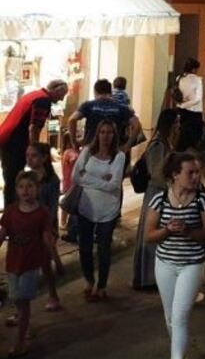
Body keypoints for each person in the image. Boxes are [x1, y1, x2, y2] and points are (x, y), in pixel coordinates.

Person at [145, 152, 205, 359]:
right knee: (170, 317)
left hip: (191, 265)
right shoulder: (160, 199)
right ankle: (180, 352)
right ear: (175, 175)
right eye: (190, 173)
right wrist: (166, 230)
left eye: (197, 172)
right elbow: (149, 235)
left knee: (180, 317)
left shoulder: (203, 200)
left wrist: (189, 232)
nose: (196, 177)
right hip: (165, 264)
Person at [0, 171, 56, 357]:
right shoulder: (10, 212)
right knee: (16, 298)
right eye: (22, 187)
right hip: (12, 263)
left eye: (30, 186)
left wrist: (56, 259)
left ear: (37, 189)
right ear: (16, 190)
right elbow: (3, 232)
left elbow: (47, 237)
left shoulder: (42, 213)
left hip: (31, 264)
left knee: (23, 301)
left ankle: (20, 342)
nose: (26, 190)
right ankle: (26, 324)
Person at [73, 119, 126, 301]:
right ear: (97, 134)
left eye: (109, 132)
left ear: (114, 135)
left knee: (104, 248)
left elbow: (114, 185)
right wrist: (102, 180)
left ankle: (102, 285)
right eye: (102, 132)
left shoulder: (119, 156)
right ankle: (89, 280)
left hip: (108, 209)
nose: (105, 136)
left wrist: (88, 177)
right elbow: (76, 177)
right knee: (84, 247)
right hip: (86, 207)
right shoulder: (88, 151)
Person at [0, 80, 69, 208]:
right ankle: (12, 214)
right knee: (13, 180)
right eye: (62, 95)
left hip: (7, 138)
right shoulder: (43, 100)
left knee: (11, 179)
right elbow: (34, 128)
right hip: (15, 143)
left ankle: (12, 212)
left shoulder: (34, 94)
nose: (61, 99)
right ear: (56, 90)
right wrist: (35, 149)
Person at [133, 109, 180, 291]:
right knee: (152, 233)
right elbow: (156, 173)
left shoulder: (167, 143)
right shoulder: (158, 145)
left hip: (161, 193)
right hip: (156, 193)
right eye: (176, 123)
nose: (178, 126)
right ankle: (147, 278)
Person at [25, 143, 63, 314]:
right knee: (26, 266)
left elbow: (54, 205)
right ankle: (23, 307)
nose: (29, 159)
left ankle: (53, 295)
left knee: (44, 264)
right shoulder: (26, 177)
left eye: (33, 155)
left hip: (45, 226)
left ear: (44, 158)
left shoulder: (52, 180)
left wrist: (50, 226)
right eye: (28, 155)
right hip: (28, 226)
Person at [68, 78, 142, 154]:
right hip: (114, 151)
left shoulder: (88, 105)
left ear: (95, 92)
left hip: (91, 149)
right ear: (110, 92)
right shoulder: (122, 107)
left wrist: (74, 142)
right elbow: (137, 125)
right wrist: (127, 145)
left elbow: (72, 120)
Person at [175, 58, 205, 150]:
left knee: (183, 135)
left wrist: (182, 105)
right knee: (194, 138)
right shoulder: (197, 80)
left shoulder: (179, 78)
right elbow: (198, 99)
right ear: (194, 69)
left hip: (181, 110)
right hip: (194, 112)